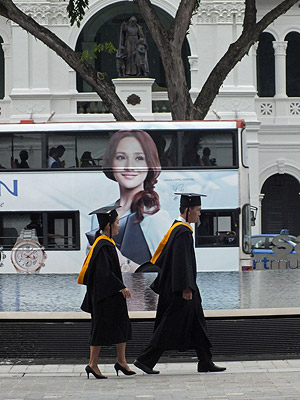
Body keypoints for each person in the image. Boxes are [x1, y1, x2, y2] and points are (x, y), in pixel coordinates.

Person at [134, 193, 226, 374]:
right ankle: (145, 360)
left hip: (180, 286)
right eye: (197, 210)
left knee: (197, 321)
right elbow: (181, 262)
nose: (199, 214)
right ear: (187, 210)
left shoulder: (176, 229)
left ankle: (205, 361)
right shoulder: (182, 232)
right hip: (181, 288)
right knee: (168, 325)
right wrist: (186, 287)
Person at [87, 129, 172, 272]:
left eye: (139, 158)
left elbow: (168, 271)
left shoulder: (155, 217)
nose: (129, 166)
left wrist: (123, 262)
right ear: (111, 162)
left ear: (149, 164)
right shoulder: (99, 216)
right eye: (121, 157)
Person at [78, 206, 135, 379]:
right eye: (117, 222)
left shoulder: (105, 244)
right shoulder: (103, 246)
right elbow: (104, 273)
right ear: (108, 226)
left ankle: (121, 361)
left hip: (110, 295)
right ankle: (92, 364)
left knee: (121, 325)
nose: (119, 225)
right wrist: (121, 286)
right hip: (104, 296)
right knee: (100, 329)